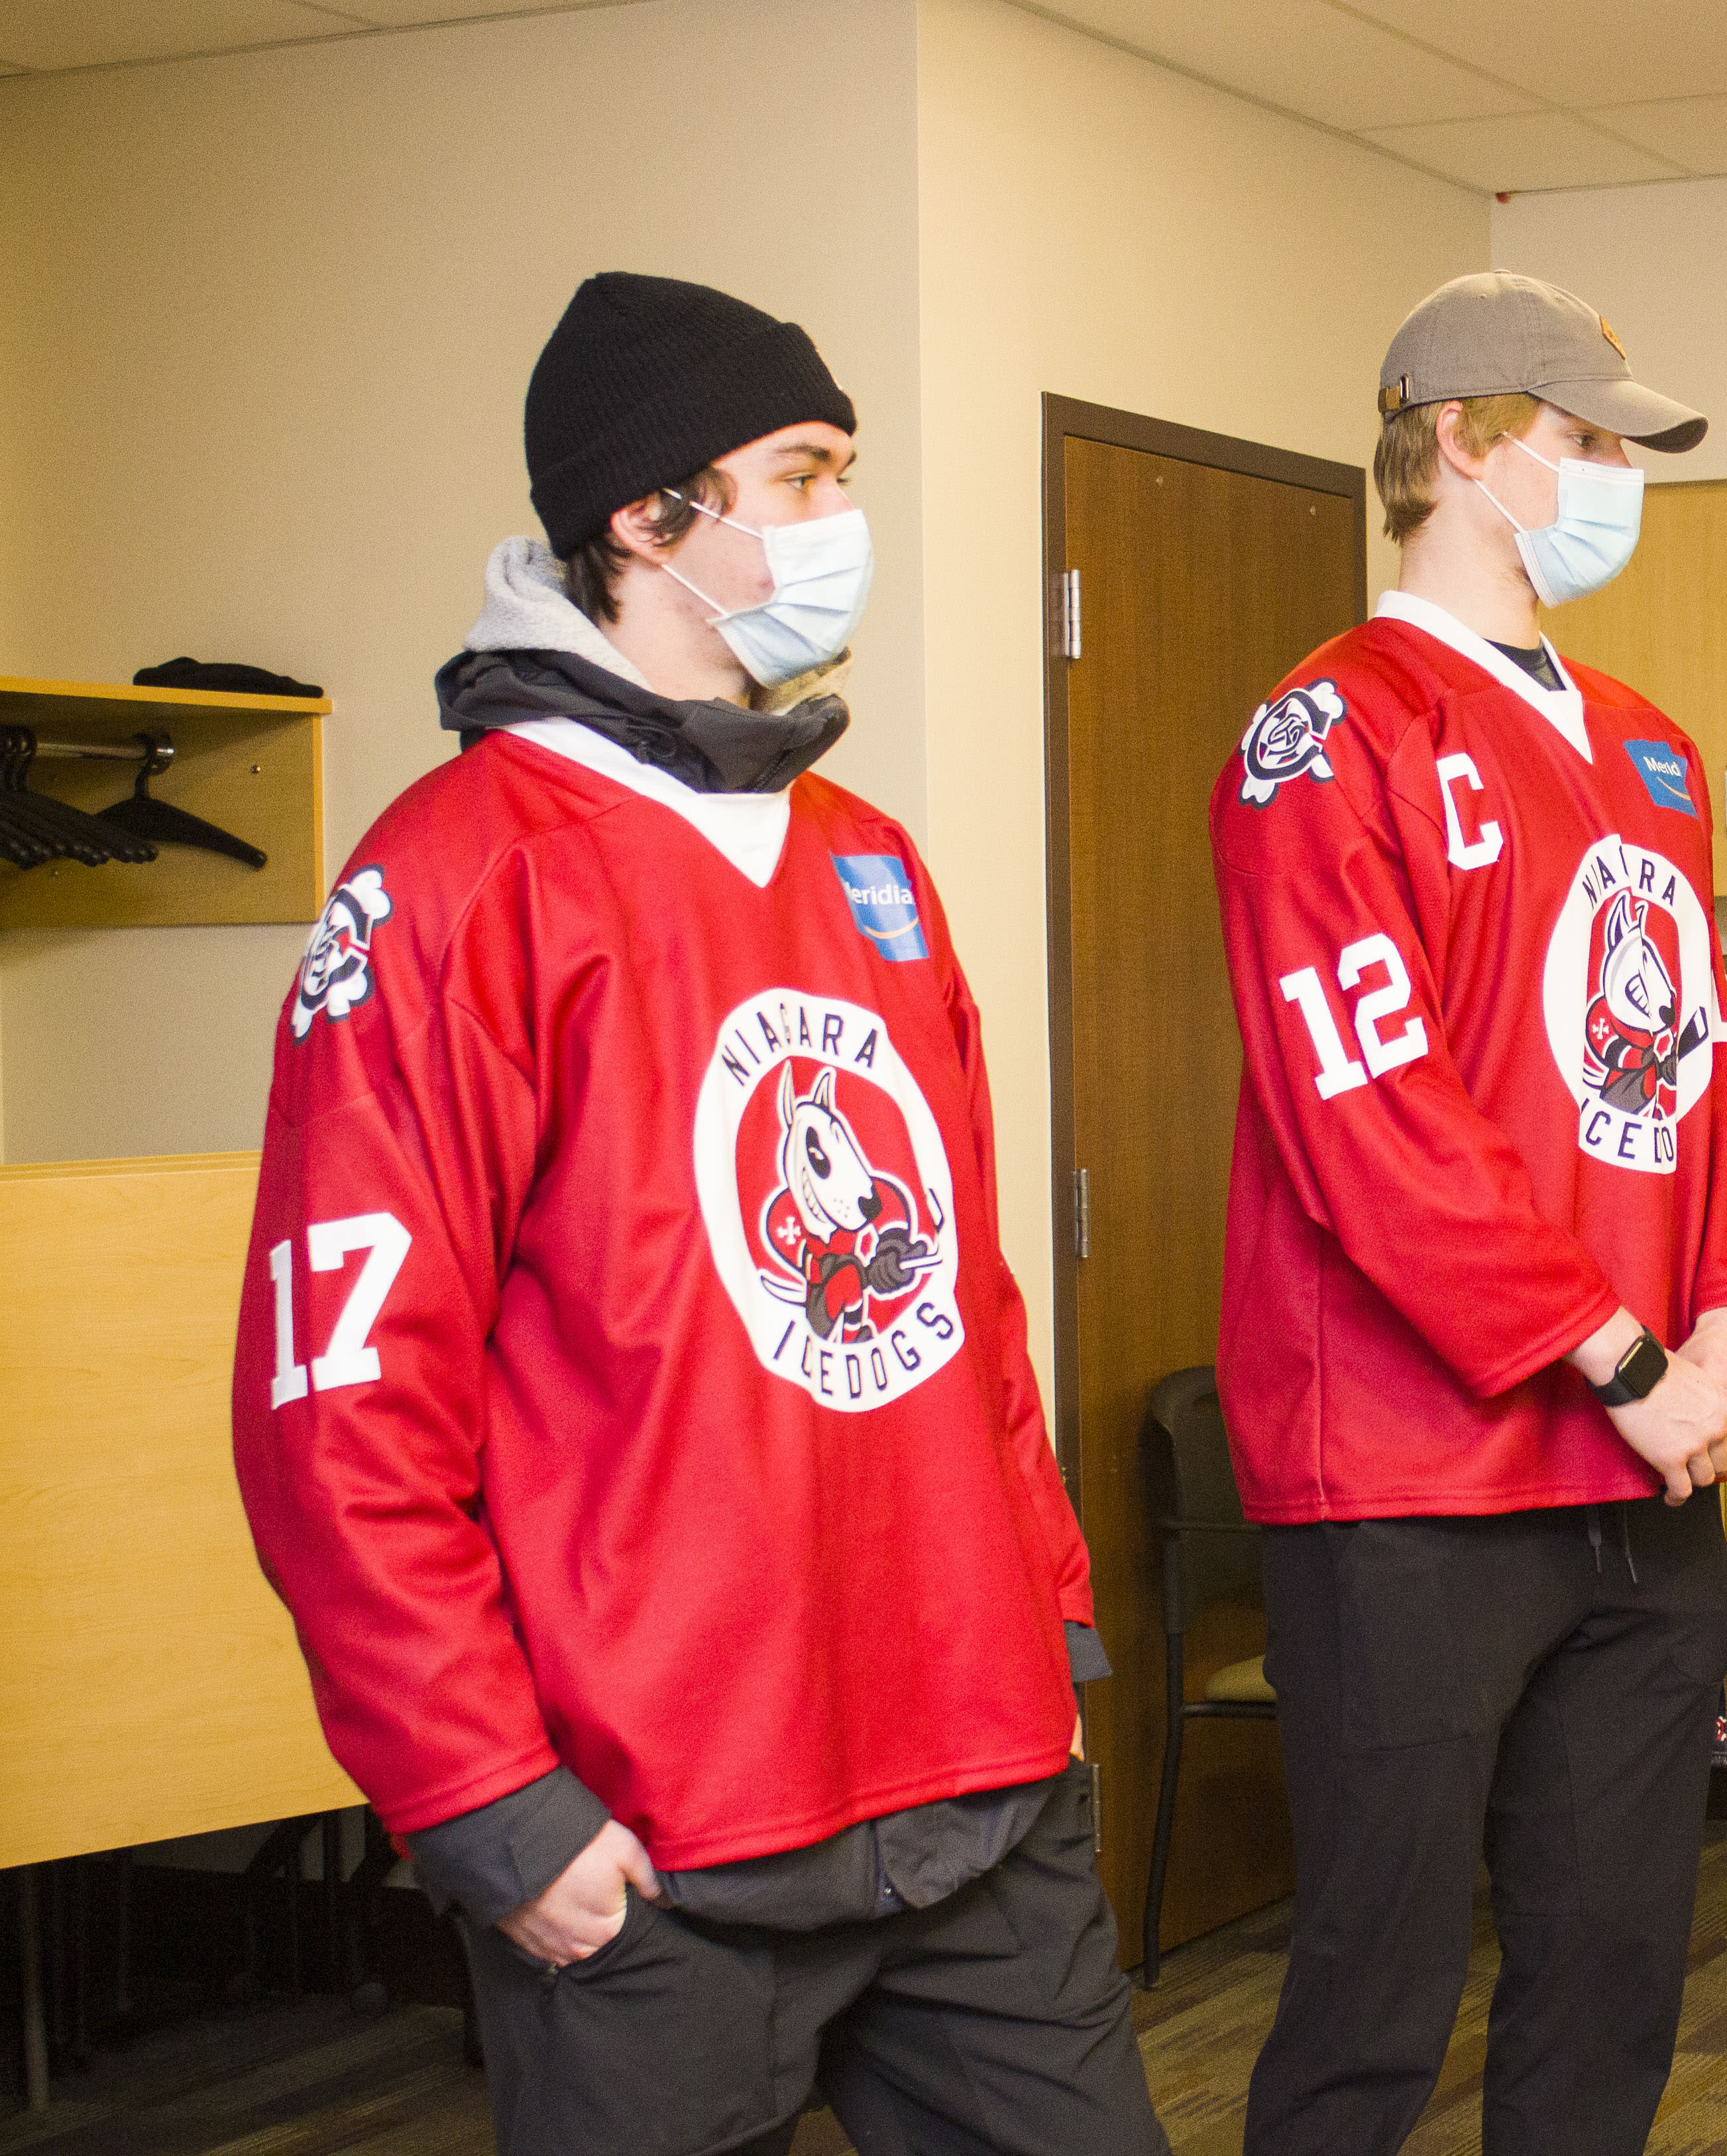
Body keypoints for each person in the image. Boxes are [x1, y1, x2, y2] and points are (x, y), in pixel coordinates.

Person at [234, 272, 1163, 2156]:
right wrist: (489, 1801)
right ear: (648, 515)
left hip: (978, 1796)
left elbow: (964, 1307)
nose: (843, 523)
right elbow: (336, 1404)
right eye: (801, 475)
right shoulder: (454, 879)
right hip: (657, 1848)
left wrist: (1047, 1629)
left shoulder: (865, 859)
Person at [1210, 270, 1727, 2156]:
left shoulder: (1646, 743)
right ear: (1457, 442)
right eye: (1587, 438)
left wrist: (1719, 1315)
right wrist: (1613, 1347)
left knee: (1614, 1966)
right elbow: (1366, 1113)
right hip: (1412, 1476)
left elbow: (1687, 1059)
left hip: (1637, 1468)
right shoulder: (1329, 731)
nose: (1619, 474)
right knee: (1376, 1993)